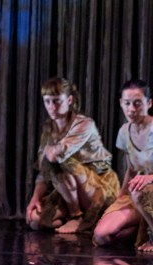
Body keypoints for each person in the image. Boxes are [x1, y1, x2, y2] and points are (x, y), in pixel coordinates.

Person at [25, 77, 119, 235]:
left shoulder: (84, 124)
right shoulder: (49, 129)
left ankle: (77, 216)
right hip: (69, 189)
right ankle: (70, 216)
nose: (51, 107)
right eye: (47, 101)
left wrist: (49, 151)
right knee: (35, 220)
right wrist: (35, 198)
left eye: (57, 101)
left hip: (96, 187)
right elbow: (44, 171)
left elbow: (55, 157)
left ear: (69, 100)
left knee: (61, 162)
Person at [107, 79, 153, 251]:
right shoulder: (124, 131)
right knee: (103, 235)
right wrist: (121, 197)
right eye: (127, 103)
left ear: (149, 103)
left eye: (137, 103)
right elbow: (131, 169)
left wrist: (149, 177)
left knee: (138, 191)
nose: (131, 109)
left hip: (143, 189)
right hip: (138, 190)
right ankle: (142, 226)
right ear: (121, 103)